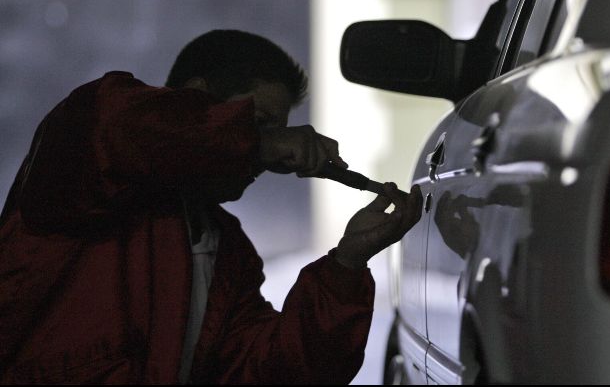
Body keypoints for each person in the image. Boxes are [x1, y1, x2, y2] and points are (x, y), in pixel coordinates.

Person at [0, 29, 423, 384]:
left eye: (276, 130)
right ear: (195, 97)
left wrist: (347, 263)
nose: (273, 161)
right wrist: (260, 142)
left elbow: (271, 370)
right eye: (258, 120)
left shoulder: (227, 250)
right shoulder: (88, 149)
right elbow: (130, 125)